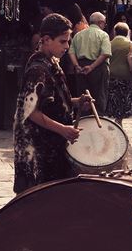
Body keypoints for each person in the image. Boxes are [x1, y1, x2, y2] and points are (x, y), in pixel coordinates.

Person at [13, 14, 91, 194]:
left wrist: (76, 102)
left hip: (50, 143)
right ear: (46, 40)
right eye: (63, 41)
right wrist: (63, 129)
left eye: (68, 41)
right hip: (37, 147)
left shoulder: (50, 62)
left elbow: (52, 103)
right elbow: (31, 112)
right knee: (38, 198)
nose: (67, 46)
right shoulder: (38, 70)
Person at [70, 11, 111, 115]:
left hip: (81, 68)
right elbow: (105, 53)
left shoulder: (78, 35)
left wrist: (76, 66)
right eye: (104, 23)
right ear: (101, 23)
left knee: (83, 98)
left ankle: (83, 121)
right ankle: (97, 120)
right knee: (99, 97)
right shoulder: (103, 35)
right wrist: (92, 67)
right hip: (98, 68)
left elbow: (71, 52)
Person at [107, 22, 132, 124]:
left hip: (112, 76)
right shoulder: (131, 45)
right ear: (127, 32)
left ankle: (116, 119)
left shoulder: (109, 44)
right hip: (127, 76)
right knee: (124, 99)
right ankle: (119, 120)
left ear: (115, 32)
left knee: (114, 99)